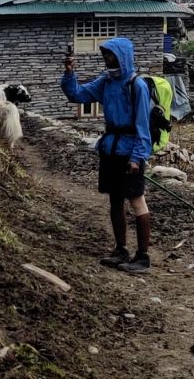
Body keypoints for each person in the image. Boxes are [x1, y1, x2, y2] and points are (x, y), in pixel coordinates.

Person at [60, 37, 153, 273]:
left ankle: (142, 256)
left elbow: (143, 125)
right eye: (105, 55)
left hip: (129, 149)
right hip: (111, 148)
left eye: (111, 55)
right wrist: (70, 73)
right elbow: (77, 95)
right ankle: (120, 249)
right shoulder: (107, 82)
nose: (107, 59)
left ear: (122, 57)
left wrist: (137, 156)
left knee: (136, 200)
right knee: (114, 199)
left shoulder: (137, 86)